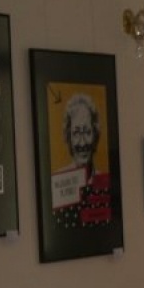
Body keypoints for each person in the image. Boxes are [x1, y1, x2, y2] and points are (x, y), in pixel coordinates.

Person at [50, 92, 112, 229]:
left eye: (87, 132)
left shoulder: (106, 183)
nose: (82, 143)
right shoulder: (56, 184)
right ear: (68, 137)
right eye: (76, 133)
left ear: (95, 135)